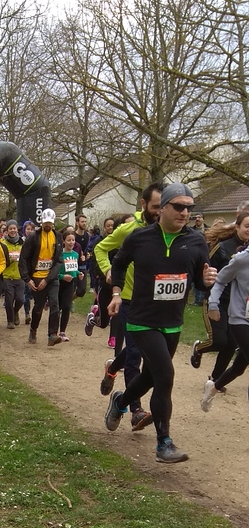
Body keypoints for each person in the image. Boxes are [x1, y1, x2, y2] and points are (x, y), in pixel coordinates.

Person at [105, 183, 217, 462]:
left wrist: (207, 281)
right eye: (178, 206)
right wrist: (116, 293)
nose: (184, 213)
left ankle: (120, 401)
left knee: (151, 376)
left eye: (189, 208)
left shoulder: (196, 241)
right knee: (165, 375)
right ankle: (163, 442)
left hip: (173, 322)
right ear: (163, 208)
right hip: (142, 319)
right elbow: (118, 263)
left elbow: (200, 280)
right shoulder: (139, 237)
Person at [94, 182, 164, 430]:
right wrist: (108, 270)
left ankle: (112, 368)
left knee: (139, 350)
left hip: (155, 302)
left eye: (164, 206)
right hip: (128, 299)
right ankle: (136, 409)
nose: (160, 212)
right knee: (135, 354)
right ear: (144, 204)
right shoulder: (129, 229)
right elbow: (101, 248)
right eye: (156, 206)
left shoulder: (168, 230)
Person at [191, 211, 249, 379]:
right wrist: (212, 300)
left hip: (236, 304)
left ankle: (215, 378)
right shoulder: (222, 247)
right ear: (237, 227)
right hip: (216, 300)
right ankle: (198, 348)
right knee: (219, 341)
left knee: (231, 344)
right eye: (247, 226)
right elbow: (206, 270)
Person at [201, 242, 249, 411]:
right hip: (240, 319)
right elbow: (220, 281)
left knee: (239, 368)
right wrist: (213, 304)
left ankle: (213, 388)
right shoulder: (242, 259)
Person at [18, 208, 63, 346]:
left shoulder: (58, 237)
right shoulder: (33, 237)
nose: (47, 225)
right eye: (45, 222)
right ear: (41, 222)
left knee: (55, 303)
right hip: (36, 276)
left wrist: (48, 279)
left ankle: (52, 335)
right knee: (38, 307)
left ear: (53, 223)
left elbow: (59, 260)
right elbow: (23, 258)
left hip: (51, 277)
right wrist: (27, 279)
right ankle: (33, 330)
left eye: (50, 222)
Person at [1, 220, 25, 329]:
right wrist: (11, 259)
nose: (12, 230)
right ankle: (10, 321)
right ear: (7, 230)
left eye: (14, 228)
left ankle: (15, 312)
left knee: (20, 299)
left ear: (17, 229)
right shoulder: (3, 244)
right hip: (7, 276)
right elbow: (1, 260)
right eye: (10, 228)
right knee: (9, 300)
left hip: (20, 275)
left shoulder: (22, 243)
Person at [57, 230, 79, 342]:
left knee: (66, 307)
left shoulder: (75, 254)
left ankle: (62, 332)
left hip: (70, 284)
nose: (71, 242)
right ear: (64, 241)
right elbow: (54, 272)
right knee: (57, 308)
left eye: (73, 240)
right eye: (69, 240)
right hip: (58, 284)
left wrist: (79, 274)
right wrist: (62, 277)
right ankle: (52, 331)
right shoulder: (59, 254)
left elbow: (74, 269)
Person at [21, 220, 36, 323]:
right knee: (26, 294)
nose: (29, 231)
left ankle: (36, 312)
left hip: (35, 270)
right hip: (25, 270)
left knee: (34, 293)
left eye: (31, 229)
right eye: (28, 229)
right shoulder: (21, 241)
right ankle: (27, 314)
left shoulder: (37, 241)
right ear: (24, 230)